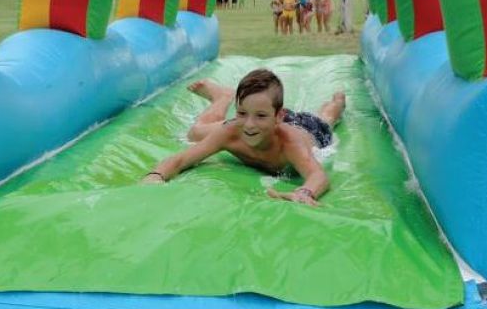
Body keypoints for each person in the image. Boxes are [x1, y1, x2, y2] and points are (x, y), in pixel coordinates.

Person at [142, 69, 346, 206]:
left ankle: (338, 101)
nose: (249, 125)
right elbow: (181, 159)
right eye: (241, 113)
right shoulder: (234, 130)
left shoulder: (289, 143)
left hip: (309, 129)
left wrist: (304, 193)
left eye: (259, 116)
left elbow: (318, 176)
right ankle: (223, 97)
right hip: (268, 117)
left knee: (327, 117)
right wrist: (156, 176)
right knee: (195, 133)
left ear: (278, 117)